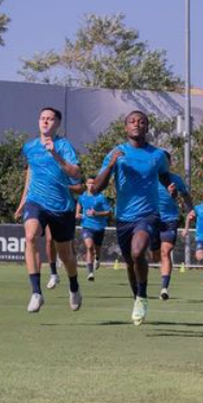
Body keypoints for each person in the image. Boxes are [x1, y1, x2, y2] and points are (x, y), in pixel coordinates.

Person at [92, 110, 173, 326]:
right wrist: (111, 165)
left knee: (138, 252)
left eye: (142, 122)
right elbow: (96, 188)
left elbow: (164, 174)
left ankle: (143, 296)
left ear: (147, 127)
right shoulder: (117, 153)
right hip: (124, 217)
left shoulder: (157, 155)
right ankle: (137, 297)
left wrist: (170, 186)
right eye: (132, 121)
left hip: (148, 215)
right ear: (126, 127)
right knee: (130, 263)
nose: (137, 124)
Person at [14, 107, 82, 314]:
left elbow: (76, 173)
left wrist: (55, 154)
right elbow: (31, 171)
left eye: (50, 119)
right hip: (36, 201)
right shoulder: (30, 147)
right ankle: (36, 292)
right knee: (30, 236)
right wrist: (23, 201)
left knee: (66, 255)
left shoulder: (64, 146)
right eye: (42, 118)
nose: (45, 121)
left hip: (62, 207)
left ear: (57, 124)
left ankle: (74, 286)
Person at [153, 151, 193, 300]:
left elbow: (184, 195)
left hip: (170, 219)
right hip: (152, 219)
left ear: (169, 163)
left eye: (165, 161)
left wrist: (191, 209)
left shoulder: (175, 179)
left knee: (166, 251)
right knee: (155, 255)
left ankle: (164, 288)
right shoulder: (149, 178)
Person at [76, 176, 112, 282]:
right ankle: (90, 272)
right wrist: (77, 213)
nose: (91, 185)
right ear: (86, 185)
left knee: (97, 249)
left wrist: (96, 213)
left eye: (93, 183)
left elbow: (109, 212)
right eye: (89, 183)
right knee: (89, 247)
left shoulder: (100, 197)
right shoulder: (82, 196)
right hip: (87, 226)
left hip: (99, 227)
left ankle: (97, 259)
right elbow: (79, 203)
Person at [182, 203, 203, 289]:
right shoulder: (198, 208)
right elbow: (189, 216)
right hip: (201, 238)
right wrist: (186, 229)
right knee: (200, 257)